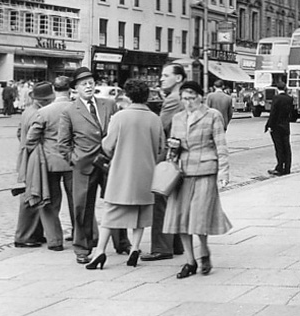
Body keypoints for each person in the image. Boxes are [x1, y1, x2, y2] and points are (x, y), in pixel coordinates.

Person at [86, 80, 164, 270]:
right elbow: (161, 148)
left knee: (111, 213)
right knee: (141, 214)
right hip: (146, 173)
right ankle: (135, 249)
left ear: (128, 96)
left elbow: (108, 145)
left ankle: (100, 251)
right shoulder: (155, 118)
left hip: (122, 171)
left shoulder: (120, 117)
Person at [163, 81, 232, 279]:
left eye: (192, 98)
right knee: (181, 217)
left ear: (201, 96)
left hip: (205, 171)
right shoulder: (177, 118)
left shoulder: (212, 115)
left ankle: (203, 250)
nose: (188, 102)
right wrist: (173, 148)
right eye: (184, 98)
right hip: (182, 172)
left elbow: (221, 145)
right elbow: (173, 146)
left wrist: (223, 173)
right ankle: (189, 261)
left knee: (199, 216)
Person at [58, 67, 121, 264]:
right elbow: (63, 143)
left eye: (91, 82)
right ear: (75, 88)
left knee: (116, 203)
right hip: (84, 165)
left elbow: (118, 130)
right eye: (84, 83)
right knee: (82, 207)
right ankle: (82, 248)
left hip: (108, 162)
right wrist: (74, 159)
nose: (88, 86)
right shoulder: (69, 110)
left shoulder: (109, 105)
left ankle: (122, 243)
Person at [142, 63, 186, 263]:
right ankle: (176, 243)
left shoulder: (173, 100)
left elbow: (160, 127)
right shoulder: (186, 97)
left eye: (166, 75)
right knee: (174, 199)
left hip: (169, 156)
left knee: (160, 199)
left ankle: (161, 247)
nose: (161, 79)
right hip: (183, 156)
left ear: (178, 78)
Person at [25, 76, 75, 250]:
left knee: (51, 202)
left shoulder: (45, 112)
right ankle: (81, 236)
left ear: (54, 90)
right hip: (73, 161)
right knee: (77, 200)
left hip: (50, 162)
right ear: (70, 89)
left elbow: (30, 139)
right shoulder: (78, 108)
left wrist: (39, 151)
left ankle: (55, 241)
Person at [14, 81, 56, 248]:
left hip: (25, 155)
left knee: (31, 193)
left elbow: (19, 132)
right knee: (31, 196)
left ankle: (34, 234)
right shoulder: (39, 113)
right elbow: (33, 137)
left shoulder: (28, 111)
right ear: (44, 100)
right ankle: (24, 236)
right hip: (33, 158)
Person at [265, 81, 293, 176]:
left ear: (277, 89)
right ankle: (287, 167)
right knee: (287, 147)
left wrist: (269, 125)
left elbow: (273, 113)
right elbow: (291, 113)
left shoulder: (276, 98)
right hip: (285, 125)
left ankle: (280, 167)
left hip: (276, 126)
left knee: (279, 147)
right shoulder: (289, 99)